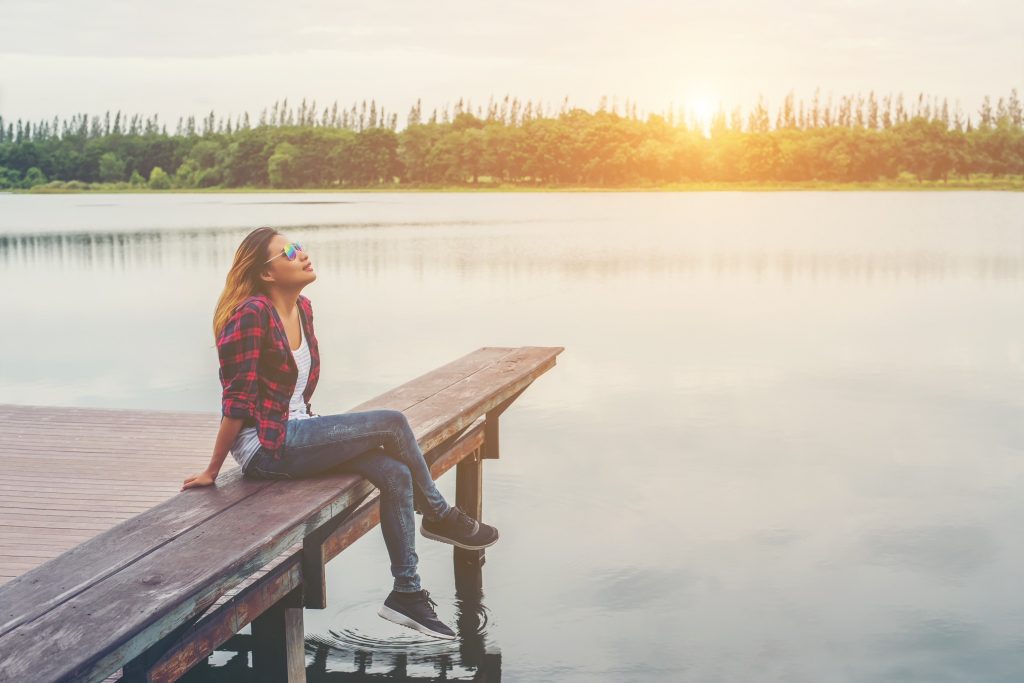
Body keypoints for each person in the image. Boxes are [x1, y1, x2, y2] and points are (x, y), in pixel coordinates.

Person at [181, 226, 498, 640]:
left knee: (394, 473)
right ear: (267, 273)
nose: (302, 253)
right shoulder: (251, 314)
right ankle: (440, 515)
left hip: (299, 430)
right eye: (289, 252)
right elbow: (237, 401)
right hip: (267, 445)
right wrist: (212, 469)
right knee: (392, 422)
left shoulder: (302, 308)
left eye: (298, 247)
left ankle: (407, 593)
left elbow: (295, 397)